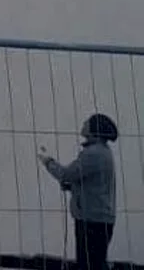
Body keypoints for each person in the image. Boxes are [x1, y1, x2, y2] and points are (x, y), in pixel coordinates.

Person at [38, 113, 118, 270]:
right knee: (93, 264)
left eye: (87, 122)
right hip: (98, 219)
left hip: (91, 221)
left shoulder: (93, 154)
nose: (84, 123)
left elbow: (66, 174)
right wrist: (73, 187)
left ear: (94, 129)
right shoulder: (103, 152)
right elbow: (94, 183)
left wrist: (47, 161)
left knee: (88, 265)